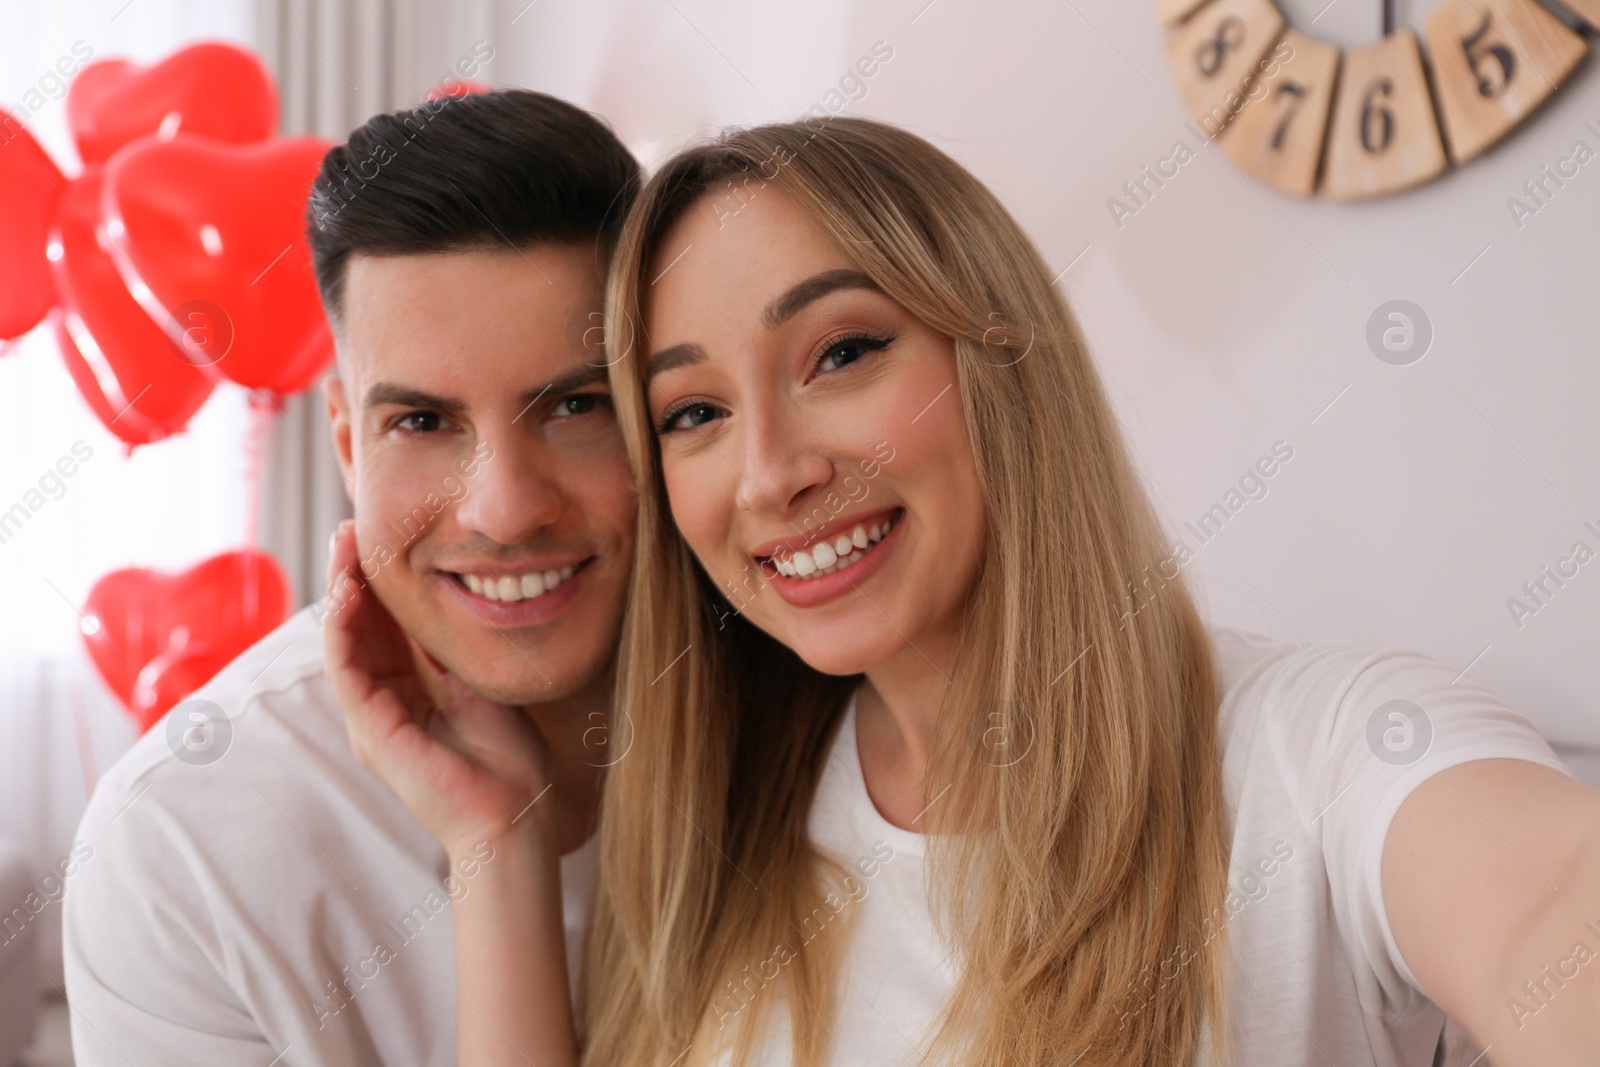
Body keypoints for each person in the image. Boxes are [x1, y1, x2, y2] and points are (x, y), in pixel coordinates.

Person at [335, 116, 1600, 1067]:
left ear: (1002, 359)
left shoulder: (1315, 752)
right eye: (695, 410)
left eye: (841, 351)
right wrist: (493, 844)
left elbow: (1548, 905)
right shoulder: (717, 833)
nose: (772, 470)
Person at [61, 88, 641, 1067]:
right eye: (422, 422)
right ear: (346, 443)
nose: (504, 509)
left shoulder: (812, 702)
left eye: (577, 405)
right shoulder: (175, 849)